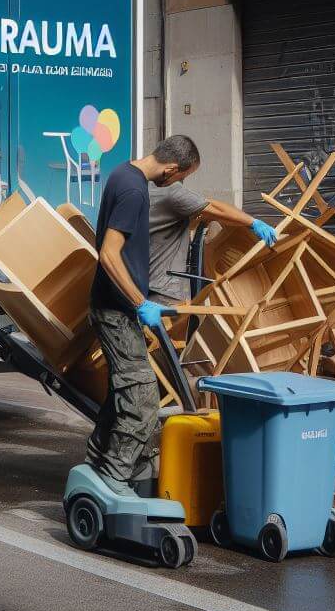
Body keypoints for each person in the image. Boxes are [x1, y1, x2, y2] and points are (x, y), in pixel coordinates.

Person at [85, 135, 203, 497]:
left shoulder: (123, 173)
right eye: (181, 177)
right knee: (143, 400)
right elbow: (108, 253)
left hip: (115, 306)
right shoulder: (135, 191)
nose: (176, 184)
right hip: (116, 309)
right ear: (171, 168)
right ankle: (114, 477)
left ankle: (95, 457)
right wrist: (140, 302)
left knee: (125, 386)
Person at [149, 183, 278, 304]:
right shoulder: (168, 194)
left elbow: (212, 209)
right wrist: (252, 222)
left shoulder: (162, 196)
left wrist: (251, 222)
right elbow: (211, 207)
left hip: (183, 270)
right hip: (162, 280)